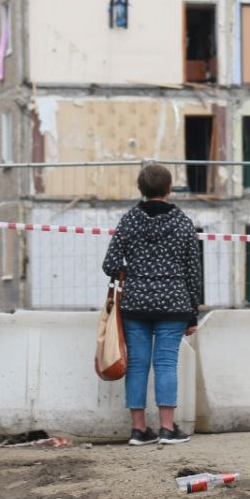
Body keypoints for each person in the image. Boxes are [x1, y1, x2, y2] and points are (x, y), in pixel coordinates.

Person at [102, 163, 203, 446]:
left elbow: (109, 264)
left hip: (135, 303)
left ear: (141, 189)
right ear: (169, 189)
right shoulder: (182, 222)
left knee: (136, 365)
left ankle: (138, 430)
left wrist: (134, 273)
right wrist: (192, 314)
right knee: (166, 363)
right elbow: (193, 271)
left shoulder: (129, 220)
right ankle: (168, 428)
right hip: (174, 303)